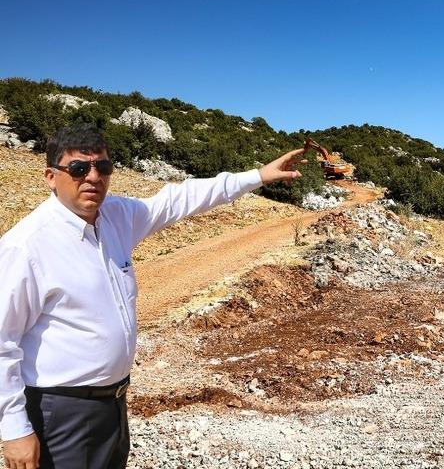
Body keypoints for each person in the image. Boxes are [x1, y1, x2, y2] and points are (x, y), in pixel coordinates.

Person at [0, 123, 308, 469]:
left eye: (103, 167)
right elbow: (2, 342)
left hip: (113, 405)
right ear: (51, 176)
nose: (93, 177)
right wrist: (14, 429)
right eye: (78, 168)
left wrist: (258, 176)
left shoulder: (116, 216)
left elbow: (180, 199)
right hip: (61, 412)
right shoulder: (26, 246)